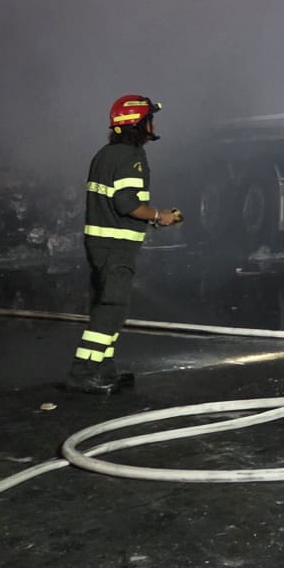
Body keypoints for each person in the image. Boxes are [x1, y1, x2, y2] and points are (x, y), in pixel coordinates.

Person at [65, 94, 182, 395]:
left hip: (101, 244)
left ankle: (103, 369)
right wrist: (160, 216)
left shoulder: (105, 154)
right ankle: (83, 372)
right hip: (116, 246)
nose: (153, 125)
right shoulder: (131, 157)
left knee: (108, 305)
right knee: (112, 308)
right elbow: (127, 203)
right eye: (149, 119)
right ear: (138, 124)